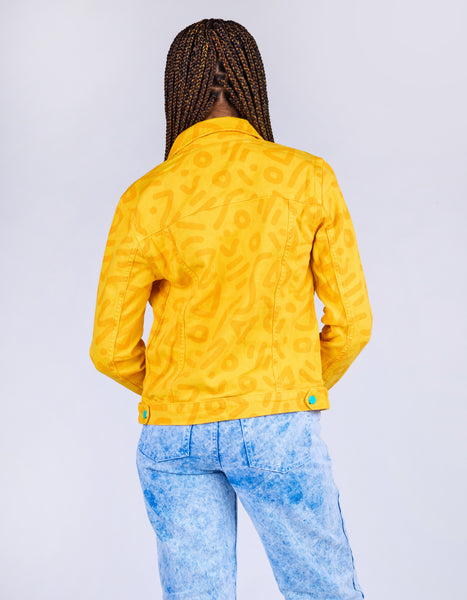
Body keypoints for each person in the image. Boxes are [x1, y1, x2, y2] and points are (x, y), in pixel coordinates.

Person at [89, 17, 372, 600]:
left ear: (178, 91)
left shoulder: (145, 198)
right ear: (251, 84)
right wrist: (288, 387)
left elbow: (110, 349)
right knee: (324, 592)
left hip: (174, 434)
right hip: (278, 423)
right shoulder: (307, 178)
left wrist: (177, 391)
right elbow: (352, 325)